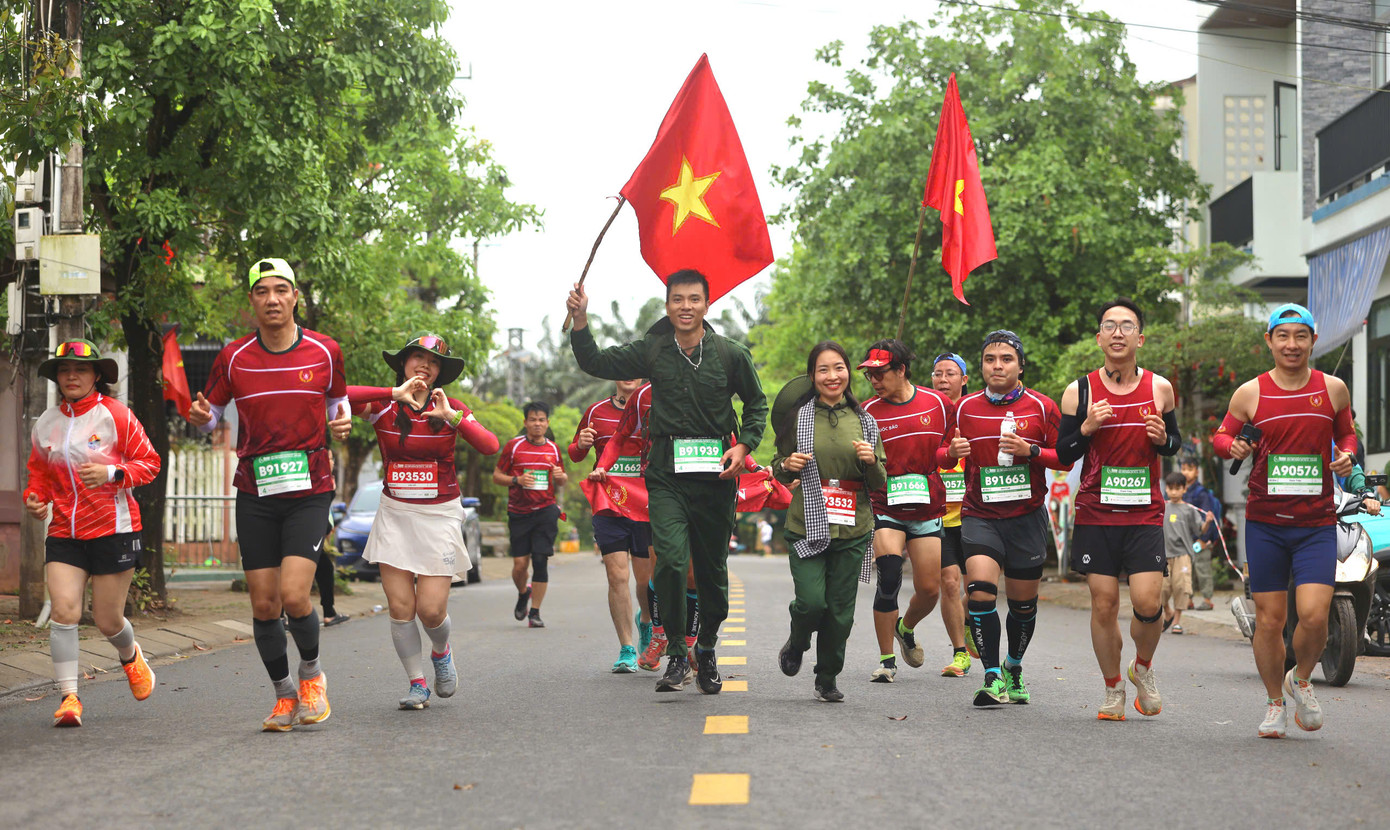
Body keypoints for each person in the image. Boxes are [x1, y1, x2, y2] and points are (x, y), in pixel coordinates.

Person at [568, 270, 768, 695]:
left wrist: (744, 446)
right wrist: (582, 321)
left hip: (715, 478)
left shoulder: (731, 354)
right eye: (677, 299)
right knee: (673, 562)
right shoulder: (652, 351)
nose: (685, 307)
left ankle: (707, 647)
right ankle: (677, 651)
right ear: (667, 306)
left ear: (707, 306)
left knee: (712, 571)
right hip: (666, 477)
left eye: (694, 299)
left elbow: (756, 404)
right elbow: (595, 362)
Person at [188, 258, 349, 731]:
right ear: (253, 301)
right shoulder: (233, 356)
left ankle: (312, 677)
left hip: (310, 487)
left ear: (295, 296)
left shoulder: (325, 350)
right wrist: (202, 419)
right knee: (263, 603)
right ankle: (283, 695)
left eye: (281, 290)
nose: (273, 299)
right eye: (263, 292)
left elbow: (338, 405)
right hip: (255, 489)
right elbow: (212, 413)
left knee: (295, 595)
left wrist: (342, 422)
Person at [1214, 303, 1357, 738]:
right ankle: (1275, 701)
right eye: (1283, 336)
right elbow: (1221, 436)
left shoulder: (1333, 389)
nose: (1291, 344)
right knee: (1271, 619)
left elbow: (1347, 433)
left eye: (1300, 336)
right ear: (1270, 341)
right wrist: (1231, 448)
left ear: (1313, 341)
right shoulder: (1250, 393)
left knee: (1314, 616)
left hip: (1315, 523)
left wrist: (1348, 454)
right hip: (1266, 524)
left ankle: (1303, 678)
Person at [347, 333, 499, 708]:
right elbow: (335, 395)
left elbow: (490, 446)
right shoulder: (383, 405)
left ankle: (442, 651)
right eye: (418, 358)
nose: (424, 367)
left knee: (431, 610)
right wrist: (391, 393)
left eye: (433, 363)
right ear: (403, 364)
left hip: (440, 516)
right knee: (401, 608)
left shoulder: (452, 407)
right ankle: (417, 683)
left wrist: (452, 416)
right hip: (395, 514)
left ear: (439, 374)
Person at [24, 340, 161, 727]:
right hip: (65, 533)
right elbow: (39, 473)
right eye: (64, 370)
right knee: (65, 612)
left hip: (113, 529)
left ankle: (130, 655)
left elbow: (149, 463)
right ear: (57, 377)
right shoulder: (46, 423)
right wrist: (35, 498)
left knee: (107, 620)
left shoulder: (115, 416)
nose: (71, 376)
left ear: (96, 375)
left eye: (80, 370)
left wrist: (112, 473)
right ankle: (69, 698)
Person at [1057, 299, 1181, 721]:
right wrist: (1087, 428)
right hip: (1096, 512)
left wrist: (1164, 438)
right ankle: (1113, 689)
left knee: (1150, 602)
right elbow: (1063, 452)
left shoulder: (1160, 388)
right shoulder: (1080, 391)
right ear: (1098, 338)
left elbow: (1174, 443)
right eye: (1109, 325)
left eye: (1126, 326)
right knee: (1104, 603)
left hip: (1144, 512)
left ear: (1139, 338)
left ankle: (1141, 668)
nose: (1117, 332)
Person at [946, 330, 1065, 707]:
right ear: (980, 365)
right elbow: (941, 455)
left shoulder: (1042, 407)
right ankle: (993, 676)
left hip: (1026, 517)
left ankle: (1014, 666)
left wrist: (1031, 450)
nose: (997, 366)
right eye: (990, 359)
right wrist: (951, 451)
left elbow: (1065, 458)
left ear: (1020, 364)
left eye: (1006, 359)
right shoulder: (964, 408)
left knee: (1023, 605)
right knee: (979, 591)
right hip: (980, 514)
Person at [773, 342, 886, 701]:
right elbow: (777, 464)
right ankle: (797, 641)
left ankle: (827, 677)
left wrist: (871, 462)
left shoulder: (866, 421)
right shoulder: (798, 416)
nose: (832, 376)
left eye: (839, 368)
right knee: (811, 603)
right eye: (823, 370)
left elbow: (880, 481)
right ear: (812, 377)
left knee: (840, 612)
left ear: (848, 373)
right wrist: (785, 466)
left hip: (853, 527)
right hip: (806, 523)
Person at [859, 340, 954, 683]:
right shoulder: (866, 412)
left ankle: (905, 627)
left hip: (926, 505)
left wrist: (952, 452)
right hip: (885, 505)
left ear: (901, 370)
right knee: (889, 576)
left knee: (930, 589)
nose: (874, 380)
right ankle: (886, 660)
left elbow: (946, 453)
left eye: (880, 373)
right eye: (869, 375)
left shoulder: (940, 404)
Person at [592, 381, 704, 672]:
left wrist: (753, 466)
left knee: (679, 574)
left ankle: (686, 640)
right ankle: (644, 640)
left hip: (685, 494)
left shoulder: (703, 388)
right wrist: (600, 462)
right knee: (632, 574)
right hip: (638, 498)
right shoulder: (638, 400)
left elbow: (729, 437)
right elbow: (615, 439)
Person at [570, 379, 651, 672]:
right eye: (622, 369)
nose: (628, 375)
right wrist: (579, 445)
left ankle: (646, 621)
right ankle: (627, 648)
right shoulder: (596, 411)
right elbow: (576, 453)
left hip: (646, 505)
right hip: (609, 504)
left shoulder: (653, 406)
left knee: (645, 580)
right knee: (617, 577)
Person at [493, 402, 567, 629]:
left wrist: (559, 475)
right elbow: (497, 476)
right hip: (519, 512)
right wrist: (517, 480)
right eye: (533, 419)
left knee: (540, 560)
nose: (537, 423)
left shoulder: (553, 449)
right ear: (525, 423)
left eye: (542, 419)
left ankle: (535, 612)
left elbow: (562, 480)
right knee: (519, 565)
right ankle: (523, 592)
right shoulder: (513, 447)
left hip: (545, 510)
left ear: (547, 423)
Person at [931, 352, 973, 677]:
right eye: (937, 374)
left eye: (950, 373)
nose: (943, 379)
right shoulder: (927, 413)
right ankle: (960, 653)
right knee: (949, 583)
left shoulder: (975, 412)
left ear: (964, 379)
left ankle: (970, 620)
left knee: (980, 586)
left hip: (974, 512)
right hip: (941, 514)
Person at [1162, 472, 1213, 636]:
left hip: (1183, 555)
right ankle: (1167, 611)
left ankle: (1176, 621)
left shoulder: (1190, 510)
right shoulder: (1161, 507)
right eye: (1171, 488)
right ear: (1166, 489)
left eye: (1178, 488)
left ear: (1184, 489)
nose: (1174, 492)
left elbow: (1199, 531)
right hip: (1163, 555)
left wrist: (1208, 522)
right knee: (1161, 589)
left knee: (1181, 587)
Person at [1180, 455, 1222, 609]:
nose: (1186, 473)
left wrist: (1204, 539)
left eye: (1189, 469)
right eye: (1183, 469)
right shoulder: (1180, 491)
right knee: (1186, 570)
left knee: (1202, 568)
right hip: (1185, 540)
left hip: (1200, 540)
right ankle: (1188, 599)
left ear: (1197, 472)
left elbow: (1207, 516)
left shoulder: (1201, 493)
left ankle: (1207, 599)